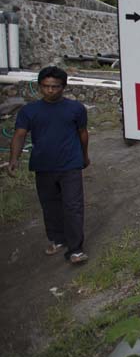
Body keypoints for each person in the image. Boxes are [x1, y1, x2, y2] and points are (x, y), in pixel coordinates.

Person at [8, 66, 91, 264]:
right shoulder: (29, 111)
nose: (50, 90)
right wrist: (14, 159)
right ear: (39, 87)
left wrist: (84, 156)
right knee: (50, 206)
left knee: (73, 206)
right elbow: (20, 135)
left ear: (63, 87)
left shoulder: (75, 108)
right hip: (43, 165)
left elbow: (83, 133)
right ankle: (57, 239)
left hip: (70, 165)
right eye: (46, 86)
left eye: (55, 86)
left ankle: (76, 249)